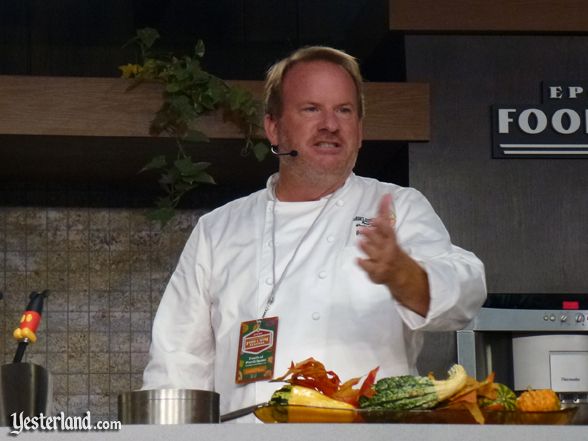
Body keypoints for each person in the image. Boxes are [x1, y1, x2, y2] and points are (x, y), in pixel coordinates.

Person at [142, 46, 487, 420]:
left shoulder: (397, 207)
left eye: (344, 110)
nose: (330, 124)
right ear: (273, 127)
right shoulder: (219, 229)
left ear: (359, 130)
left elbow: (467, 290)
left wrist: (405, 275)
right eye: (311, 109)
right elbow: (177, 362)